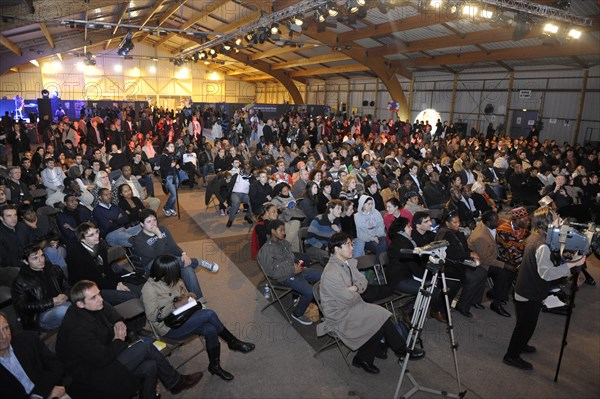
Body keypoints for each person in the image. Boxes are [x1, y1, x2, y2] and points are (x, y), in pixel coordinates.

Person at [57, 280, 202, 398]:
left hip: (103, 359)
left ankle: (159, 391)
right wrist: (119, 340)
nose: (100, 299)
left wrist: (118, 321)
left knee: (150, 365)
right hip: (92, 375)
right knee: (146, 345)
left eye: (99, 294)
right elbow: (101, 359)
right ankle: (176, 382)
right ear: (80, 304)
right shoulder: (78, 329)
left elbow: (107, 307)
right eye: (94, 297)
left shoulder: (86, 306)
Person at [317, 232, 424, 375]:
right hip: (340, 314)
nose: (352, 248)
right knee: (380, 317)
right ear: (336, 249)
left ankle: (366, 357)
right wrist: (355, 291)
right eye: (348, 245)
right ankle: (398, 349)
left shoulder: (347, 263)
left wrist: (354, 288)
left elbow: (364, 283)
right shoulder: (331, 272)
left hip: (353, 306)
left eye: (352, 244)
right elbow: (348, 298)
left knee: (379, 318)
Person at [142, 255, 254, 381]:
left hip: (184, 316)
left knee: (210, 329)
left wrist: (188, 296)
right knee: (209, 314)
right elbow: (152, 316)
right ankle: (232, 342)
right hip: (169, 327)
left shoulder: (172, 279)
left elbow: (181, 294)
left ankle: (214, 366)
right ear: (164, 271)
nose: (178, 271)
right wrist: (174, 305)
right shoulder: (149, 288)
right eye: (175, 269)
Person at [503, 206, 586, 370]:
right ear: (548, 222)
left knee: (528, 324)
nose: (560, 218)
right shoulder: (542, 244)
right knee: (524, 326)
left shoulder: (538, 236)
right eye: (556, 217)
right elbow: (547, 274)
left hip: (529, 287)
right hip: (528, 291)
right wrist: (572, 264)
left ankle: (522, 345)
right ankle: (511, 356)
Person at [131, 209, 218, 304]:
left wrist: (183, 254)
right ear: (142, 224)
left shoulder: (163, 229)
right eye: (148, 221)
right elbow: (158, 257)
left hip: (171, 260)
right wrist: (159, 236)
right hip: (154, 266)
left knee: (187, 268)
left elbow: (173, 246)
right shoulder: (139, 240)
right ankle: (198, 262)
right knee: (172, 262)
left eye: (154, 220)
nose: (153, 224)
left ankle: (199, 300)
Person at [257, 220, 322, 325]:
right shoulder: (267, 250)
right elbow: (271, 272)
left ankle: (322, 303)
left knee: (322, 275)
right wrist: (292, 269)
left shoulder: (282, 242)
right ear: (273, 231)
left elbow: (290, 258)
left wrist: (296, 264)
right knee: (310, 292)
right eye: (281, 230)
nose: (283, 232)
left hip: (295, 271)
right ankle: (297, 314)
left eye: (284, 230)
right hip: (284, 277)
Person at [66, 222, 141, 305]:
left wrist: (117, 282)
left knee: (140, 291)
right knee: (133, 297)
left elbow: (106, 268)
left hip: (105, 282)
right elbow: (89, 279)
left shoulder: (100, 245)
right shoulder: (75, 255)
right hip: (90, 290)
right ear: (82, 239)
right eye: (91, 235)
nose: (96, 236)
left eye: (96, 232)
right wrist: (114, 286)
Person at [0, 311, 67, 399]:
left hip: (53, 392)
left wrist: (41, 393)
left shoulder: (28, 339)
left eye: (6, 328)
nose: (4, 336)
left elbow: (56, 365)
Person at [432, 210, 480, 318]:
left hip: (457, 263)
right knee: (470, 279)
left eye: (458, 221)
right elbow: (453, 254)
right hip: (447, 266)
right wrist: (470, 255)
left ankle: (467, 302)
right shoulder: (445, 234)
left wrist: (469, 254)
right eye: (454, 222)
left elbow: (462, 249)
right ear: (447, 223)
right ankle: (439, 309)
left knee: (480, 274)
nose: (457, 224)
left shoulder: (455, 232)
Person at [11, 244, 71, 331]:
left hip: (63, 303)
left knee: (80, 301)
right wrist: (51, 302)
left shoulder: (53, 269)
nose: (41, 260)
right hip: (41, 315)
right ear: (26, 261)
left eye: (42, 256)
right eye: (35, 258)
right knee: (66, 311)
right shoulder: (21, 281)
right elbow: (22, 306)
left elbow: (67, 286)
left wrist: (66, 294)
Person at [467, 211, 514, 317]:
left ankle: (496, 293)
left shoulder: (486, 226)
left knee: (511, 270)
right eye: (496, 221)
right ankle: (496, 304)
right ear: (488, 223)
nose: (499, 222)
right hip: (480, 263)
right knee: (502, 273)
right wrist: (504, 265)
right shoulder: (481, 237)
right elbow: (486, 260)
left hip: (489, 256)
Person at [353, 194, 387, 263]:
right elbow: (360, 233)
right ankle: (379, 266)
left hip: (379, 235)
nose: (371, 206)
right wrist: (372, 238)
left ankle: (377, 265)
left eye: (372, 203)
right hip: (367, 239)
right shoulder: (356, 217)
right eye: (369, 204)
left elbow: (381, 226)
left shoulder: (376, 212)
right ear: (363, 204)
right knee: (378, 247)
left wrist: (376, 236)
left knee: (384, 244)